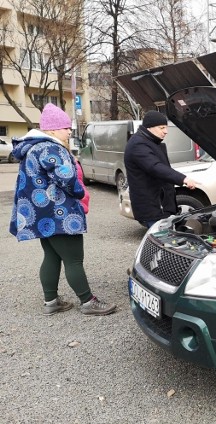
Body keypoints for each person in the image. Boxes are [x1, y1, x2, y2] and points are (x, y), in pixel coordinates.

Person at [9, 103, 116, 316]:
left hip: (41, 215)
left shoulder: (32, 147)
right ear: (51, 129)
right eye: (65, 127)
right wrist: (79, 193)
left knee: (51, 255)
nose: (69, 131)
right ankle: (88, 302)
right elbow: (66, 177)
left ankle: (52, 301)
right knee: (73, 259)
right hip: (60, 214)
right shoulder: (51, 147)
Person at [123, 111, 197, 228]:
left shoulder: (150, 141)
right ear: (149, 127)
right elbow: (155, 167)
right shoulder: (138, 144)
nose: (166, 131)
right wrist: (183, 178)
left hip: (160, 205)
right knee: (162, 241)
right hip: (153, 207)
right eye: (161, 128)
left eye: (166, 127)